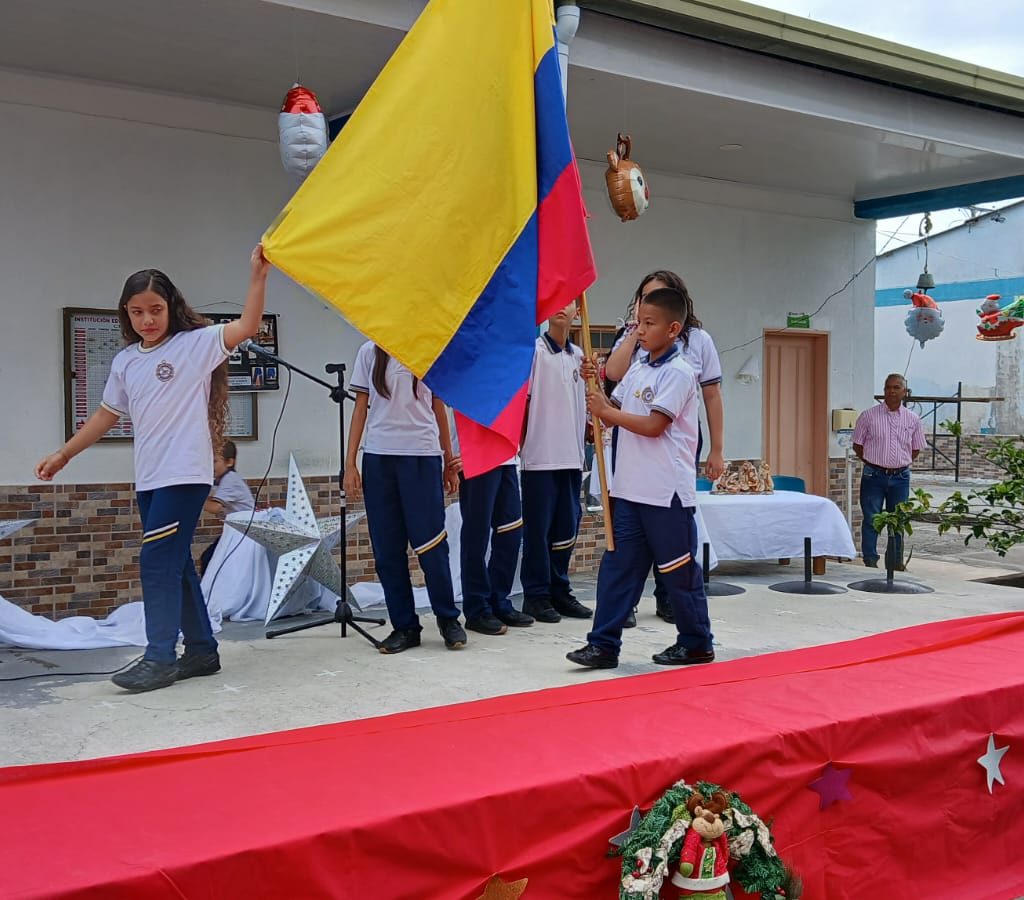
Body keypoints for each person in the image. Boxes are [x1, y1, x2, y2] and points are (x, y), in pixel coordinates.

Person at [35, 246, 269, 692]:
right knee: (175, 562)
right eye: (138, 312)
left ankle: (160, 656)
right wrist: (64, 454)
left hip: (185, 475)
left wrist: (257, 277)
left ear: (171, 308)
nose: (148, 319)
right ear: (126, 314)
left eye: (156, 310)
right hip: (150, 477)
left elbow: (246, 327)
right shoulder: (125, 361)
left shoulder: (194, 346)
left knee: (156, 562)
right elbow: (105, 416)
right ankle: (201, 650)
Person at [567, 287, 714, 670]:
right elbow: (617, 409)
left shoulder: (681, 373)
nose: (641, 331)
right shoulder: (639, 367)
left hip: (665, 493)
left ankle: (696, 642)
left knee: (678, 573)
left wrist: (606, 411)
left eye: (649, 324)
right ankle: (602, 645)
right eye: (638, 323)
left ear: (673, 328)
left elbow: (652, 425)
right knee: (617, 569)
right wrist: (595, 390)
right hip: (630, 489)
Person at [603, 270, 724, 625]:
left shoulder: (692, 349)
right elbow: (612, 380)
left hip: (669, 456)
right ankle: (607, 636)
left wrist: (717, 448)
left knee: (672, 552)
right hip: (631, 461)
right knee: (623, 554)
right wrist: (632, 334)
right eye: (643, 302)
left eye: (654, 310)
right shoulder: (637, 351)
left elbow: (711, 395)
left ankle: (679, 613)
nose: (645, 320)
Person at [345, 342, 467, 653]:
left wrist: (448, 460)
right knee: (387, 549)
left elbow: (440, 406)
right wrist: (350, 464)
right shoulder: (368, 352)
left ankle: (448, 618)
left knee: (432, 545)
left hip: (422, 455)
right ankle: (405, 625)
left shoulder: (427, 345)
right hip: (379, 456)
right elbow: (360, 407)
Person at [519, 299, 592, 623]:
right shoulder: (534, 352)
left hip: (571, 456)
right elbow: (522, 403)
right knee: (539, 530)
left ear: (579, 311)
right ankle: (535, 595)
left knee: (567, 526)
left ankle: (560, 589)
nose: (563, 307)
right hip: (540, 455)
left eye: (570, 302)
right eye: (556, 301)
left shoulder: (579, 357)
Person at [852, 374, 926, 569]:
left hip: (900, 477)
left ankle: (895, 562)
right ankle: (870, 561)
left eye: (896, 387)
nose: (891, 391)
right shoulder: (868, 416)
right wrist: (873, 462)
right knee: (871, 519)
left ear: (904, 392)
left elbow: (916, 448)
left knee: (898, 521)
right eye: (887, 388)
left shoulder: (913, 419)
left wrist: (899, 463)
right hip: (873, 476)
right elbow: (857, 444)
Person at [198, 440, 256, 576]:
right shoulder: (224, 480)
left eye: (215, 461)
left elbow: (216, 508)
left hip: (244, 534)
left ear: (230, 462)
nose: (211, 465)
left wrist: (193, 500)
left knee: (209, 559)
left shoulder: (230, 479)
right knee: (212, 559)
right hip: (237, 533)